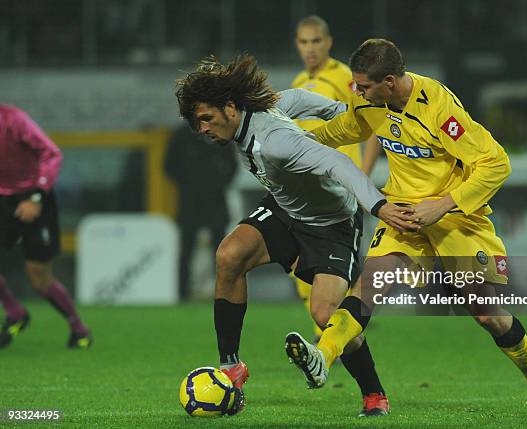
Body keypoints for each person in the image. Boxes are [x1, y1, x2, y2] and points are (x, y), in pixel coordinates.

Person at [284, 39, 527, 419]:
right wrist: (299, 141)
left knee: (490, 315)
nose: (357, 91)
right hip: (404, 214)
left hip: (456, 216)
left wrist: (443, 204)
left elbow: (496, 163)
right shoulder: (369, 98)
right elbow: (350, 127)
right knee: (369, 286)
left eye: (364, 86)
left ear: (390, 81)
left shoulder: (438, 107)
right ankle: (322, 355)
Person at [175, 54, 414, 416]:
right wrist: (337, 110)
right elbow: (297, 98)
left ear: (229, 107)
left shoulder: (278, 142)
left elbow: (339, 164)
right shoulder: (256, 112)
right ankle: (231, 367)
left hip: (332, 223)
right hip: (286, 209)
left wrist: (378, 206)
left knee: (324, 315)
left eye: (206, 118)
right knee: (229, 255)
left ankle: (373, 393)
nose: (202, 129)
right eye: (197, 123)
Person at [291, 15, 381, 341]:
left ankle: (335, 336)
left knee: (336, 267)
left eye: (316, 41)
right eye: (303, 42)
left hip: (339, 188)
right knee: (300, 264)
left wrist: (363, 178)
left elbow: (372, 126)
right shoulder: (300, 80)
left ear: (328, 42)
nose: (310, 48)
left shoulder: (345, 76)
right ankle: (327, 334)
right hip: (306, 190)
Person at [0, 104, 92, 349]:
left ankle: (78, 328)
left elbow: (51, 153)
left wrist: (37, 196)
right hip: (2, 200)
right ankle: (15, 312)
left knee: (38, 277)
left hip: (33, 198)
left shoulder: (14, 119)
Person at [164, 122, 237, 301]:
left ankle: (224, 293)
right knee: (186, 249)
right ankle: (181, 293)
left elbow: (232, 165)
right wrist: (188, 183)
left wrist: (218, 182)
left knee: (221, 250)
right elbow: (168, 166)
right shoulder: (181, 135)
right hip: (191, 202)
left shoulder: (218, 133)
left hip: (214, 200)